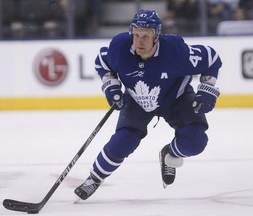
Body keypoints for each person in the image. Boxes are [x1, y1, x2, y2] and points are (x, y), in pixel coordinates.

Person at [74, 9, 222, 200]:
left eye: (145, 36)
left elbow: (212, 59)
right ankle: (94, 178)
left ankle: (170, 153)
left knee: (196, 142)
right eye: (136, 35)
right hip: (137, 98)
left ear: (156, 36)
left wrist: (206, 89)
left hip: (175, 97)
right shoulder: (120, 48)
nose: (139, 41)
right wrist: (110, 86)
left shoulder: (175, 50)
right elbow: (102, 63)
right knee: (123, 142)